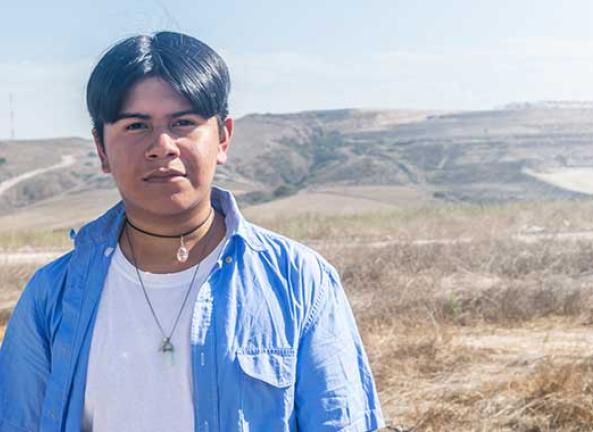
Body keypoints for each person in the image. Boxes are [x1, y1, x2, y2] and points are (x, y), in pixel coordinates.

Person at [0, 31, 385, 432]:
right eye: (135, 126)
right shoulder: (53, 295)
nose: (162, 145)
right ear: (101, 149)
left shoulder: (299, 282)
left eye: (183, 122)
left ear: (222, 138)